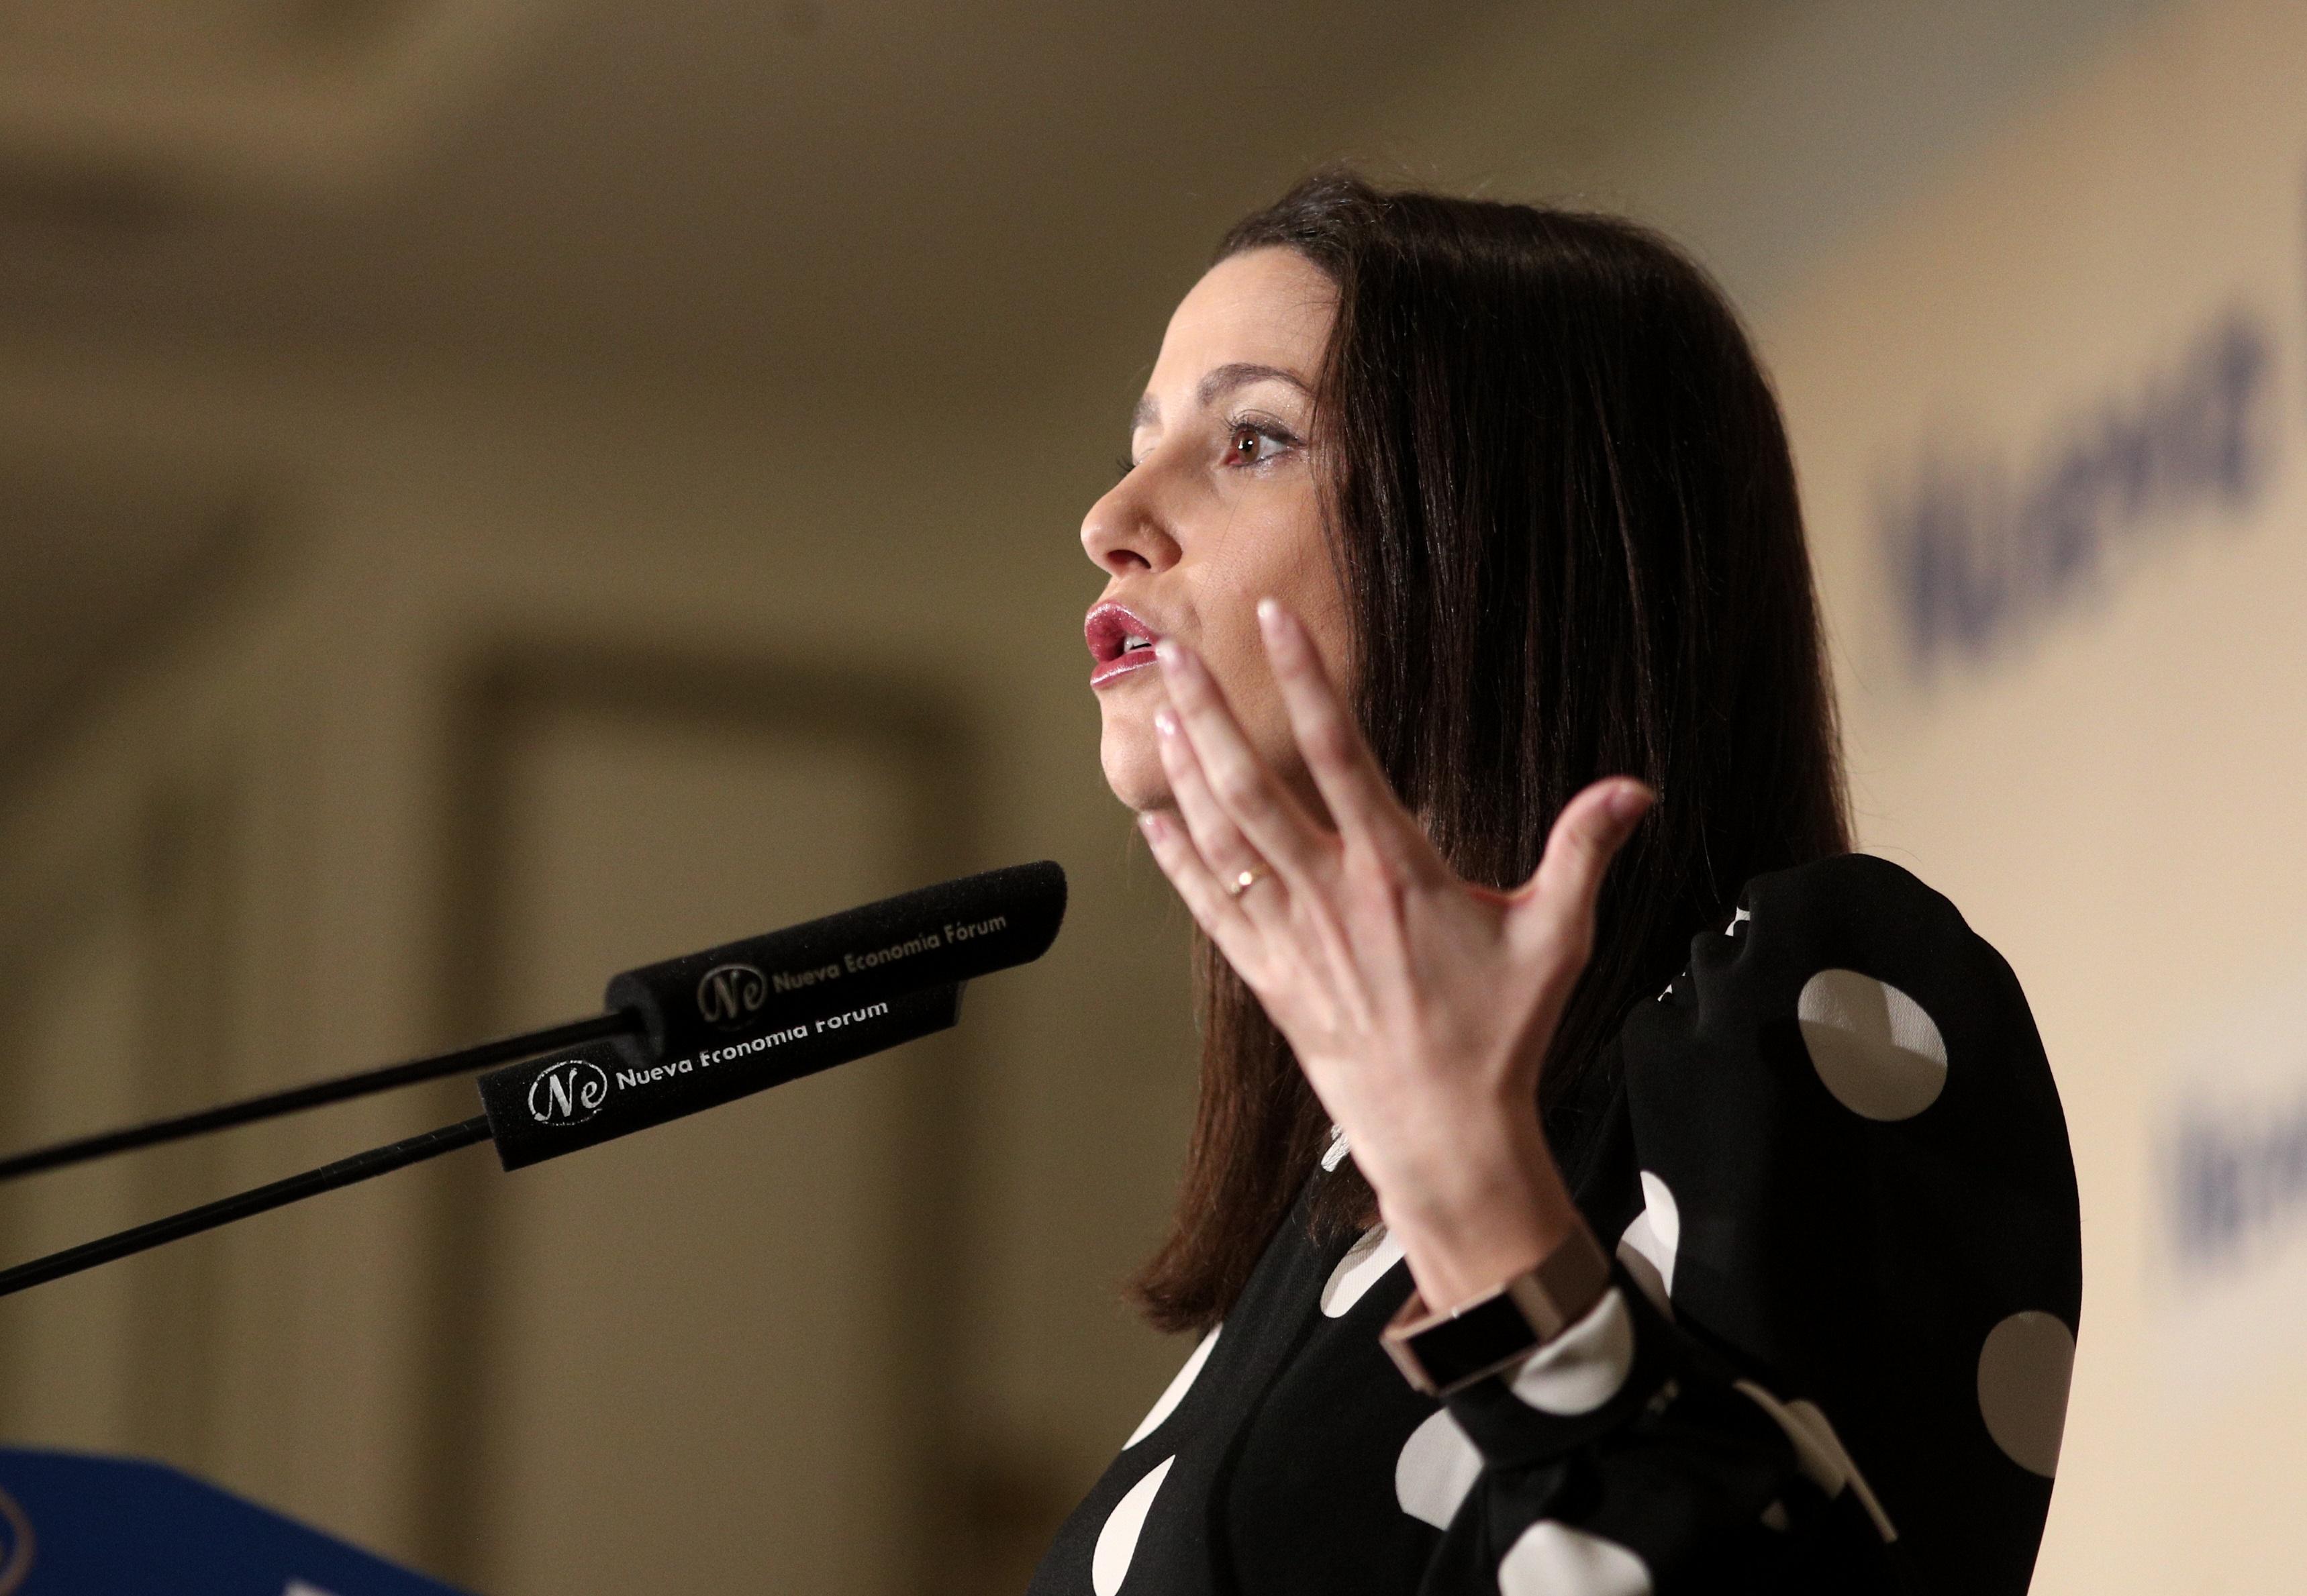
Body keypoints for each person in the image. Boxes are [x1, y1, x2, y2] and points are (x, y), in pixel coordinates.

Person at [1038, 172, 2081, 1596]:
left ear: (1515, 536)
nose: (1112, 517)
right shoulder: (1326, 1214)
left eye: (1256, 439)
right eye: (1139, 444)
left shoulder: (1799, 1002)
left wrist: (1481, 1209)